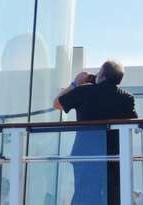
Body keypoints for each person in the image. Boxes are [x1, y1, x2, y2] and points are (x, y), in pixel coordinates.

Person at [54, 60, 137, 205]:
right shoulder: (127, 98)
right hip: (115, 156)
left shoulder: (83, 91)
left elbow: (57, 103)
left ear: (103, 75)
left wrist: (76, 83)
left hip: (86, 156)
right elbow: (134, 123)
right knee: (113, 198)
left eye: (98, 72)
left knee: (85, 197)